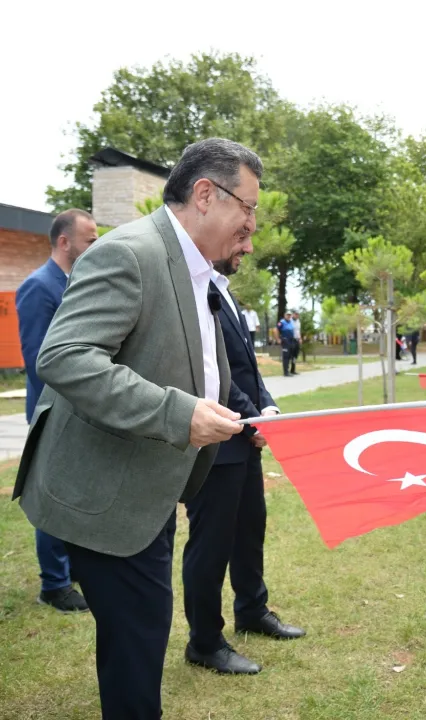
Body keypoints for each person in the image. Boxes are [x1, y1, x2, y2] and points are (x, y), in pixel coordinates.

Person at [12, 137, 255, 718]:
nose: (252, 224)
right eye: (247, 207)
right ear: (205, 194)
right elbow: (65, 356)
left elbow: (185, 360)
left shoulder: (196, 269)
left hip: (150, 484)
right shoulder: (130, 253)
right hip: (104, 494)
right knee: (138, 641)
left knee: (141, 632)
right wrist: (179, 413)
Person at [182, 248, 305, 677]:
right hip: (216, 439)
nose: (245, 247)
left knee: (250, 528)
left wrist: (266, 408)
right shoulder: (194, 293)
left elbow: (245, 367)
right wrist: (251, 417)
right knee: (210, 545)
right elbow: (210, 371)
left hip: (245, 435)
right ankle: (204, 641)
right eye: (238, 237)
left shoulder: (224, 291)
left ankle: (252, 609)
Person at [14, 208, 98, 613]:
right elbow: (39, 361)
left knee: (77, 494)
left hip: (79, 411)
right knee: (52, 496)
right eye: (90, 240)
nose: (95, 246)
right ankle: (54, 583)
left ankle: (74, 568)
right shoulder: (38, 287)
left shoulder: (75, 284)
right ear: (65, 242)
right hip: (52, 412)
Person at [277, 311, 296, 376]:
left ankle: (289, 370)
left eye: (289, 315)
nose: (288, 316)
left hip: (291, 340)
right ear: (285, 315)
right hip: (285, 340)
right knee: (286, 356)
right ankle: (285, 372)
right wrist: (278, 339)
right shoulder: (282, 322)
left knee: (290, 356)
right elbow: (276, 330)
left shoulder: (291, 322)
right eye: (287, 315)